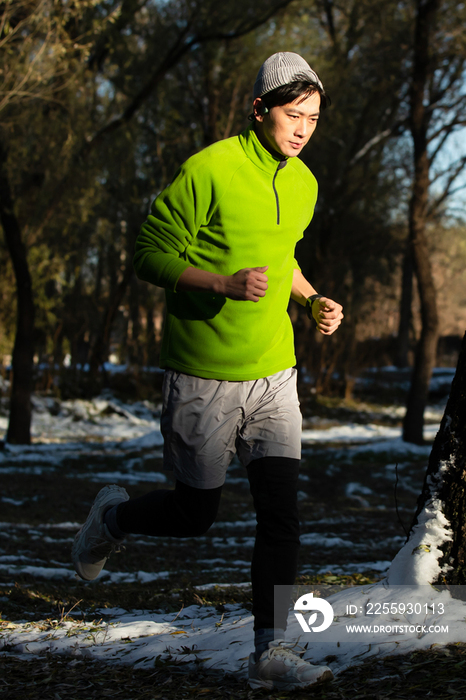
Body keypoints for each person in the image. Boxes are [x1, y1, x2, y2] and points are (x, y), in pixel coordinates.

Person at [72, 51, 343, 691]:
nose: (302, 129)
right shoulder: (211, 169)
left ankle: (269, 652)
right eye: (291, 114)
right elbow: (148, 253)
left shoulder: (302, 182)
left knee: (281, 514)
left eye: (312, 118)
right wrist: (221, 282)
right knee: (196, 516)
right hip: (202, 373)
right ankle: (111, 519)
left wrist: (310, 301)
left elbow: (284, 259)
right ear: (260, 110)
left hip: (275, 372)